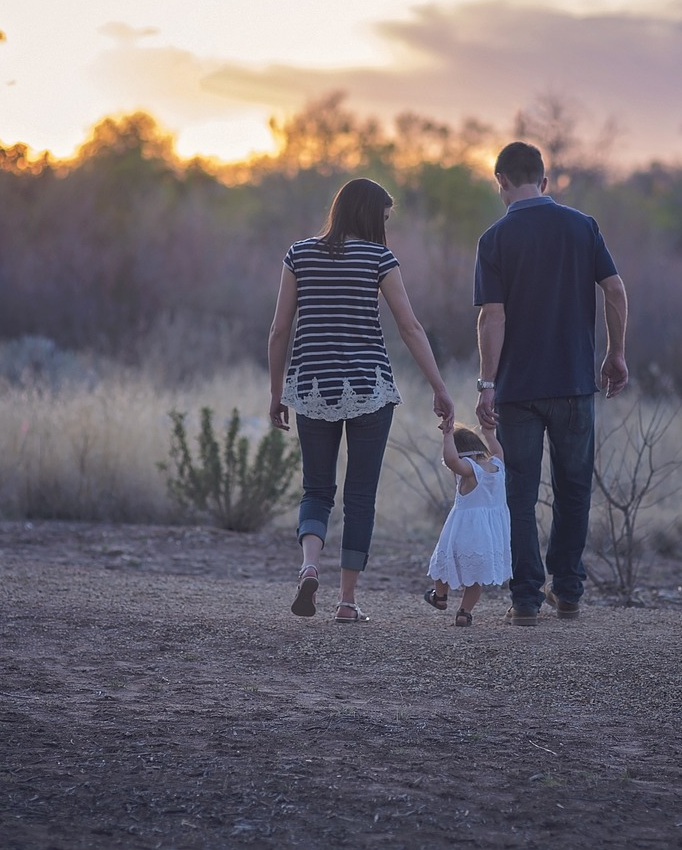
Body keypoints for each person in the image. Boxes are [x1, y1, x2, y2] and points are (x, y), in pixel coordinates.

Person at [268, 178, 454, 624]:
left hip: (312, 387)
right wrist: (439, 387)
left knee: (316, 489)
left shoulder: (299, 254)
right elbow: (410, 327)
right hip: (370, 388)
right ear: (371, 215)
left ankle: (310, 564)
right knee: (360, 497)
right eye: (384, 217)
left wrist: (277, 393)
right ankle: (347, 602)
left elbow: (278, 330)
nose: (386, 226)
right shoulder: (379, 258)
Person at [473, 141, 629, 627]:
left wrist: (486, 383)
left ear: (500, 182)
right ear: (544, 180)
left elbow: (491, 318)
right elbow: (615, 289)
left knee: (519, 494)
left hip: (518, 390)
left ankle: (524, 599)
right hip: (575, 383)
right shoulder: (582, 227)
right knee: (574, 488)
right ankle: (568, 591)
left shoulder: (494, 239)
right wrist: (616, 352)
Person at [424, 421, 512, 627]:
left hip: (464, 531)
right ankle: (464, 612)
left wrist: (447, 436)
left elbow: (452, 460)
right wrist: (489, 434)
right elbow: (498, 451)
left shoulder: (471, 470)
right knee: (476, 576)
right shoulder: (498, 465)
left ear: (464, 455)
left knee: (443, 562)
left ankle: (440, 596)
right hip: (489, 535)